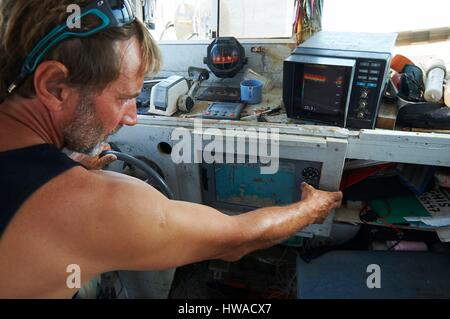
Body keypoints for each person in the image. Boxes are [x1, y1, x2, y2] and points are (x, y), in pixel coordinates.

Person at [0, 0, 342, 298]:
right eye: (123, 98)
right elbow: (237, 239)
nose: (132, 117)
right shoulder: (93, 208)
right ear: (55, 85)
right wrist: (312, 209)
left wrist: (65, 161)